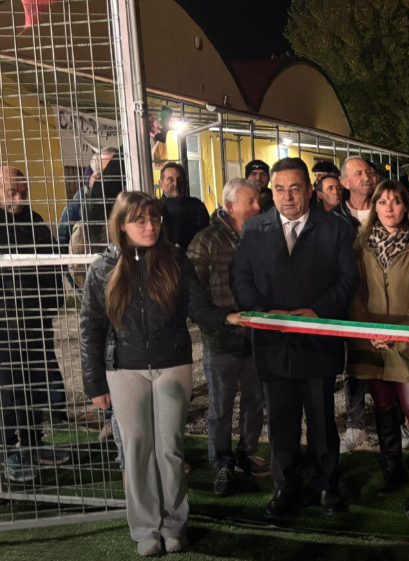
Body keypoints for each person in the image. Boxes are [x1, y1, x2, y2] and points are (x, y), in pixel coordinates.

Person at [81, 191, 242, 556]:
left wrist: (228, 317)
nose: (150, 226)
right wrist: (94, 383)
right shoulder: (102, 268)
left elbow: (197, 306)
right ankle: (144, 531)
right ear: (122, 225)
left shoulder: (175, 259)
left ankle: (174, 526)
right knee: (138, 450)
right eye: (140, 220)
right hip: (124, 371)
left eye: (155, 219)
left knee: (169, 448)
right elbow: (90, 327)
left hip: (173, 365)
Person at [231, 157, 360, 519]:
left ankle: (326, 485)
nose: (287, 196)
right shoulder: (254, 230)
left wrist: (316, 311)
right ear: (270, 191)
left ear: (309, 190)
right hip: (272, 344)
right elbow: (240, 278)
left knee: (321, 423)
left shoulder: (335, 229)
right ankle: (285, 486)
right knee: (282, 424)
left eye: (295, 188)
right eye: (280, 189)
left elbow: (348, 280)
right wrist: (263, 313)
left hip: (317, 342)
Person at [347, 180, 409, 517]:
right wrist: (370, 328)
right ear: (373, 206)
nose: (388, 208)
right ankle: (393, 470)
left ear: (406, 206)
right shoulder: (360, 244)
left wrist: (397, 329)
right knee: (384, 406)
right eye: (382, 202)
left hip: (408, 340)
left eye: (395, 202)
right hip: (370, 342)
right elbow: (353, 291)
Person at [186, 178, 269, 497]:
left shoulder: (260, 237)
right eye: (251, 201)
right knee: (220, 407)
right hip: (222, 341)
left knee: (254, 402)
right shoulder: (205, 241)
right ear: (230, 205)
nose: (258, 207)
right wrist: (218, 323)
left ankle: (245, 454)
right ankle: (222, 463)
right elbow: (195, 296)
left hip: (256, 338)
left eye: (258, 201)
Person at [0, 167, 70, 482]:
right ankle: (10, 450)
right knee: (8, 390)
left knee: (35, 384)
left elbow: (52, 268)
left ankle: (32, 442)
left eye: (21, 191)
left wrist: (51, 303)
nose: (17, 198)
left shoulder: (36, 222)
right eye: (10, 191)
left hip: (35, 321)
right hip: (4, 327)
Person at [333, 156, 375, 453]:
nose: (367, 176)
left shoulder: (388, 208)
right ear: (345, 182)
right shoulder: (333, 219)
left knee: (391, 364)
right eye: (358, 173)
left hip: (387, 300)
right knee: (354, 364)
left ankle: (395, 422)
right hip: (350, 301)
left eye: (369, 171)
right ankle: (356, 425)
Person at [157, 163, 210, 251]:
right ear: (161, 183)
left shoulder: (196, 205)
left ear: (186, 182)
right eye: (170, 180)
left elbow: (206, 234)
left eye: (179, 179)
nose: (176, 184)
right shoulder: (157, 207)